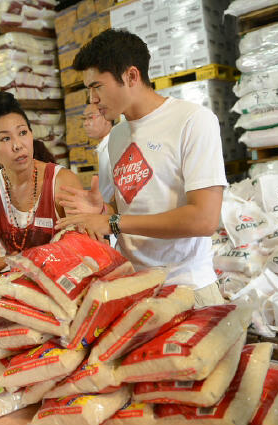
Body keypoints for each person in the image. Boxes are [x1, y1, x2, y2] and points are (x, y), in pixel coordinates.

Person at [56, 29, 227, 306]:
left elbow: (204, 219)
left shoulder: (193, 121)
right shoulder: (118, 137)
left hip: (186, 287)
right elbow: (131, 211)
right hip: (136, 286)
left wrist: (113, 222)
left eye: (97, 86)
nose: (92, 99)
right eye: (88, 89)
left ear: (131, 76)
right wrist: (103, 211)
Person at [0, 92, 84, 284]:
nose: (18, 145)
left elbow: (82, 245)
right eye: (5, 139)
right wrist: (5, 262)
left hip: (68, 285)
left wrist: (24, 261)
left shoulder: (62, 181)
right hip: (22, 289)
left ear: (31, 135)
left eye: (23, 133)